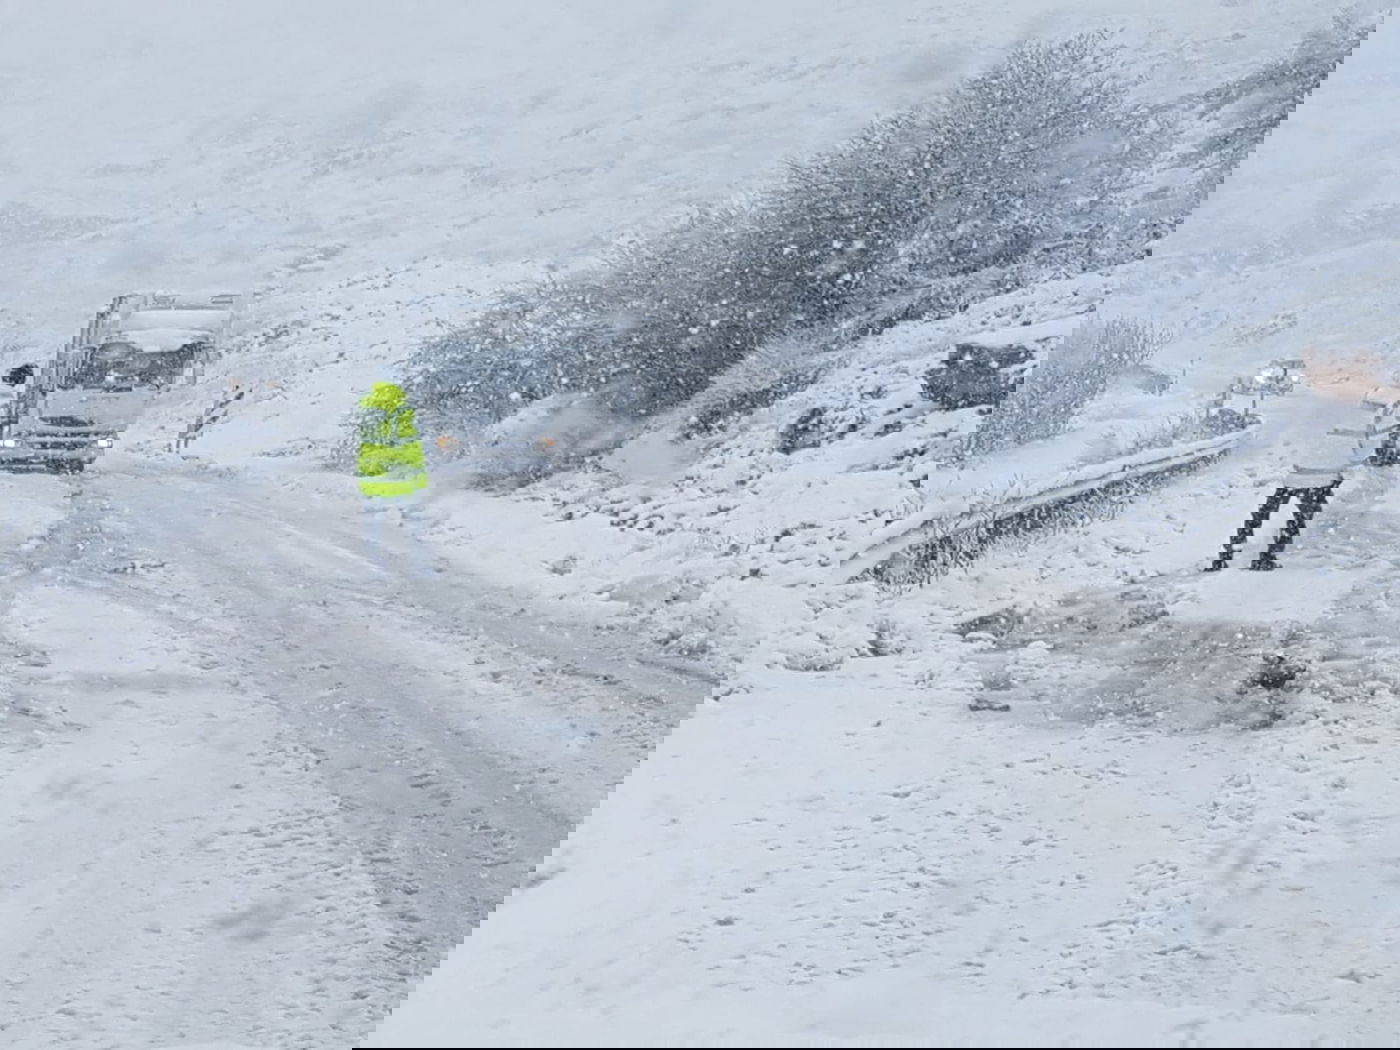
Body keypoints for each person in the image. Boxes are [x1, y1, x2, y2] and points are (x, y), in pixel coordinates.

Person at [1210, 348, 1400, 571]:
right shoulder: (1379, 411)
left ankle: (1227, 555)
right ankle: (1265, 557)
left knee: (1269, 510)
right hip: (1328, 470)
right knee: (1302, 513)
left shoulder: (1350, 406)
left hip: (1307, 467)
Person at [356, 381, 435, 576]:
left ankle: (380, 561)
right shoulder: (405, 411)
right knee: (410, 527)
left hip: (376, 478)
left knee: (376, 530)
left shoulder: (369, 411)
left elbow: (367, 442)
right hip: (407, 477)